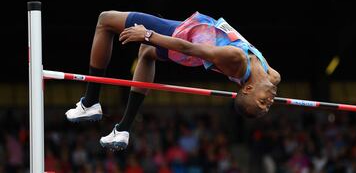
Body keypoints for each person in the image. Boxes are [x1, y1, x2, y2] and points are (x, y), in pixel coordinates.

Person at [65, 10, 281, 150]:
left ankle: (90, 102)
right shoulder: (272, 76)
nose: (269, 103)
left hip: (187, 38)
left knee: (105, 21)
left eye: (262, 103)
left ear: (248, 88)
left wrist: (148, 34)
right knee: (147, 53)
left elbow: (190, 48)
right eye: (265, 105)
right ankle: (122, 129)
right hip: (198, 29)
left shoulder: (236, 60)